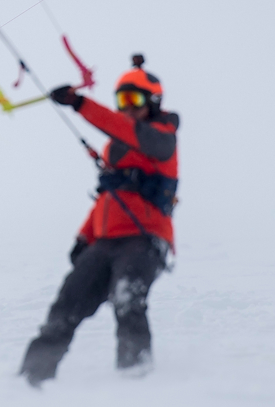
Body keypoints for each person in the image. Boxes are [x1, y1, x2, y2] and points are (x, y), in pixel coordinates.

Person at [19, 54, 178, 386]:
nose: (127, 107)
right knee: (66, 305)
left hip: (145, 240)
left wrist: (80, 103)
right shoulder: (117, 148)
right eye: (121, 99)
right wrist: (83, 237)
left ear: (153, 101)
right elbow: (108, 200)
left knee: (127, 299)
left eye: (134, 99)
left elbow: (129, 131)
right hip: (105, 242)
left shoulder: (162, 138)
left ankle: (137, 380)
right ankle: (31, 380)